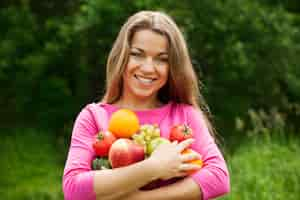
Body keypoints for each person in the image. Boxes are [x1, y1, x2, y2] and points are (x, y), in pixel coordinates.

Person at [63, 10, 230, 200]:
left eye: (162, 59)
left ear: (173, 67)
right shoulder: (93, 117)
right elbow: (73, 189)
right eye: (137, 54)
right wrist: (153, 167)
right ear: (122, 57)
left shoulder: (185, 116)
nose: (148, 68)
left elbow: (219, 177)